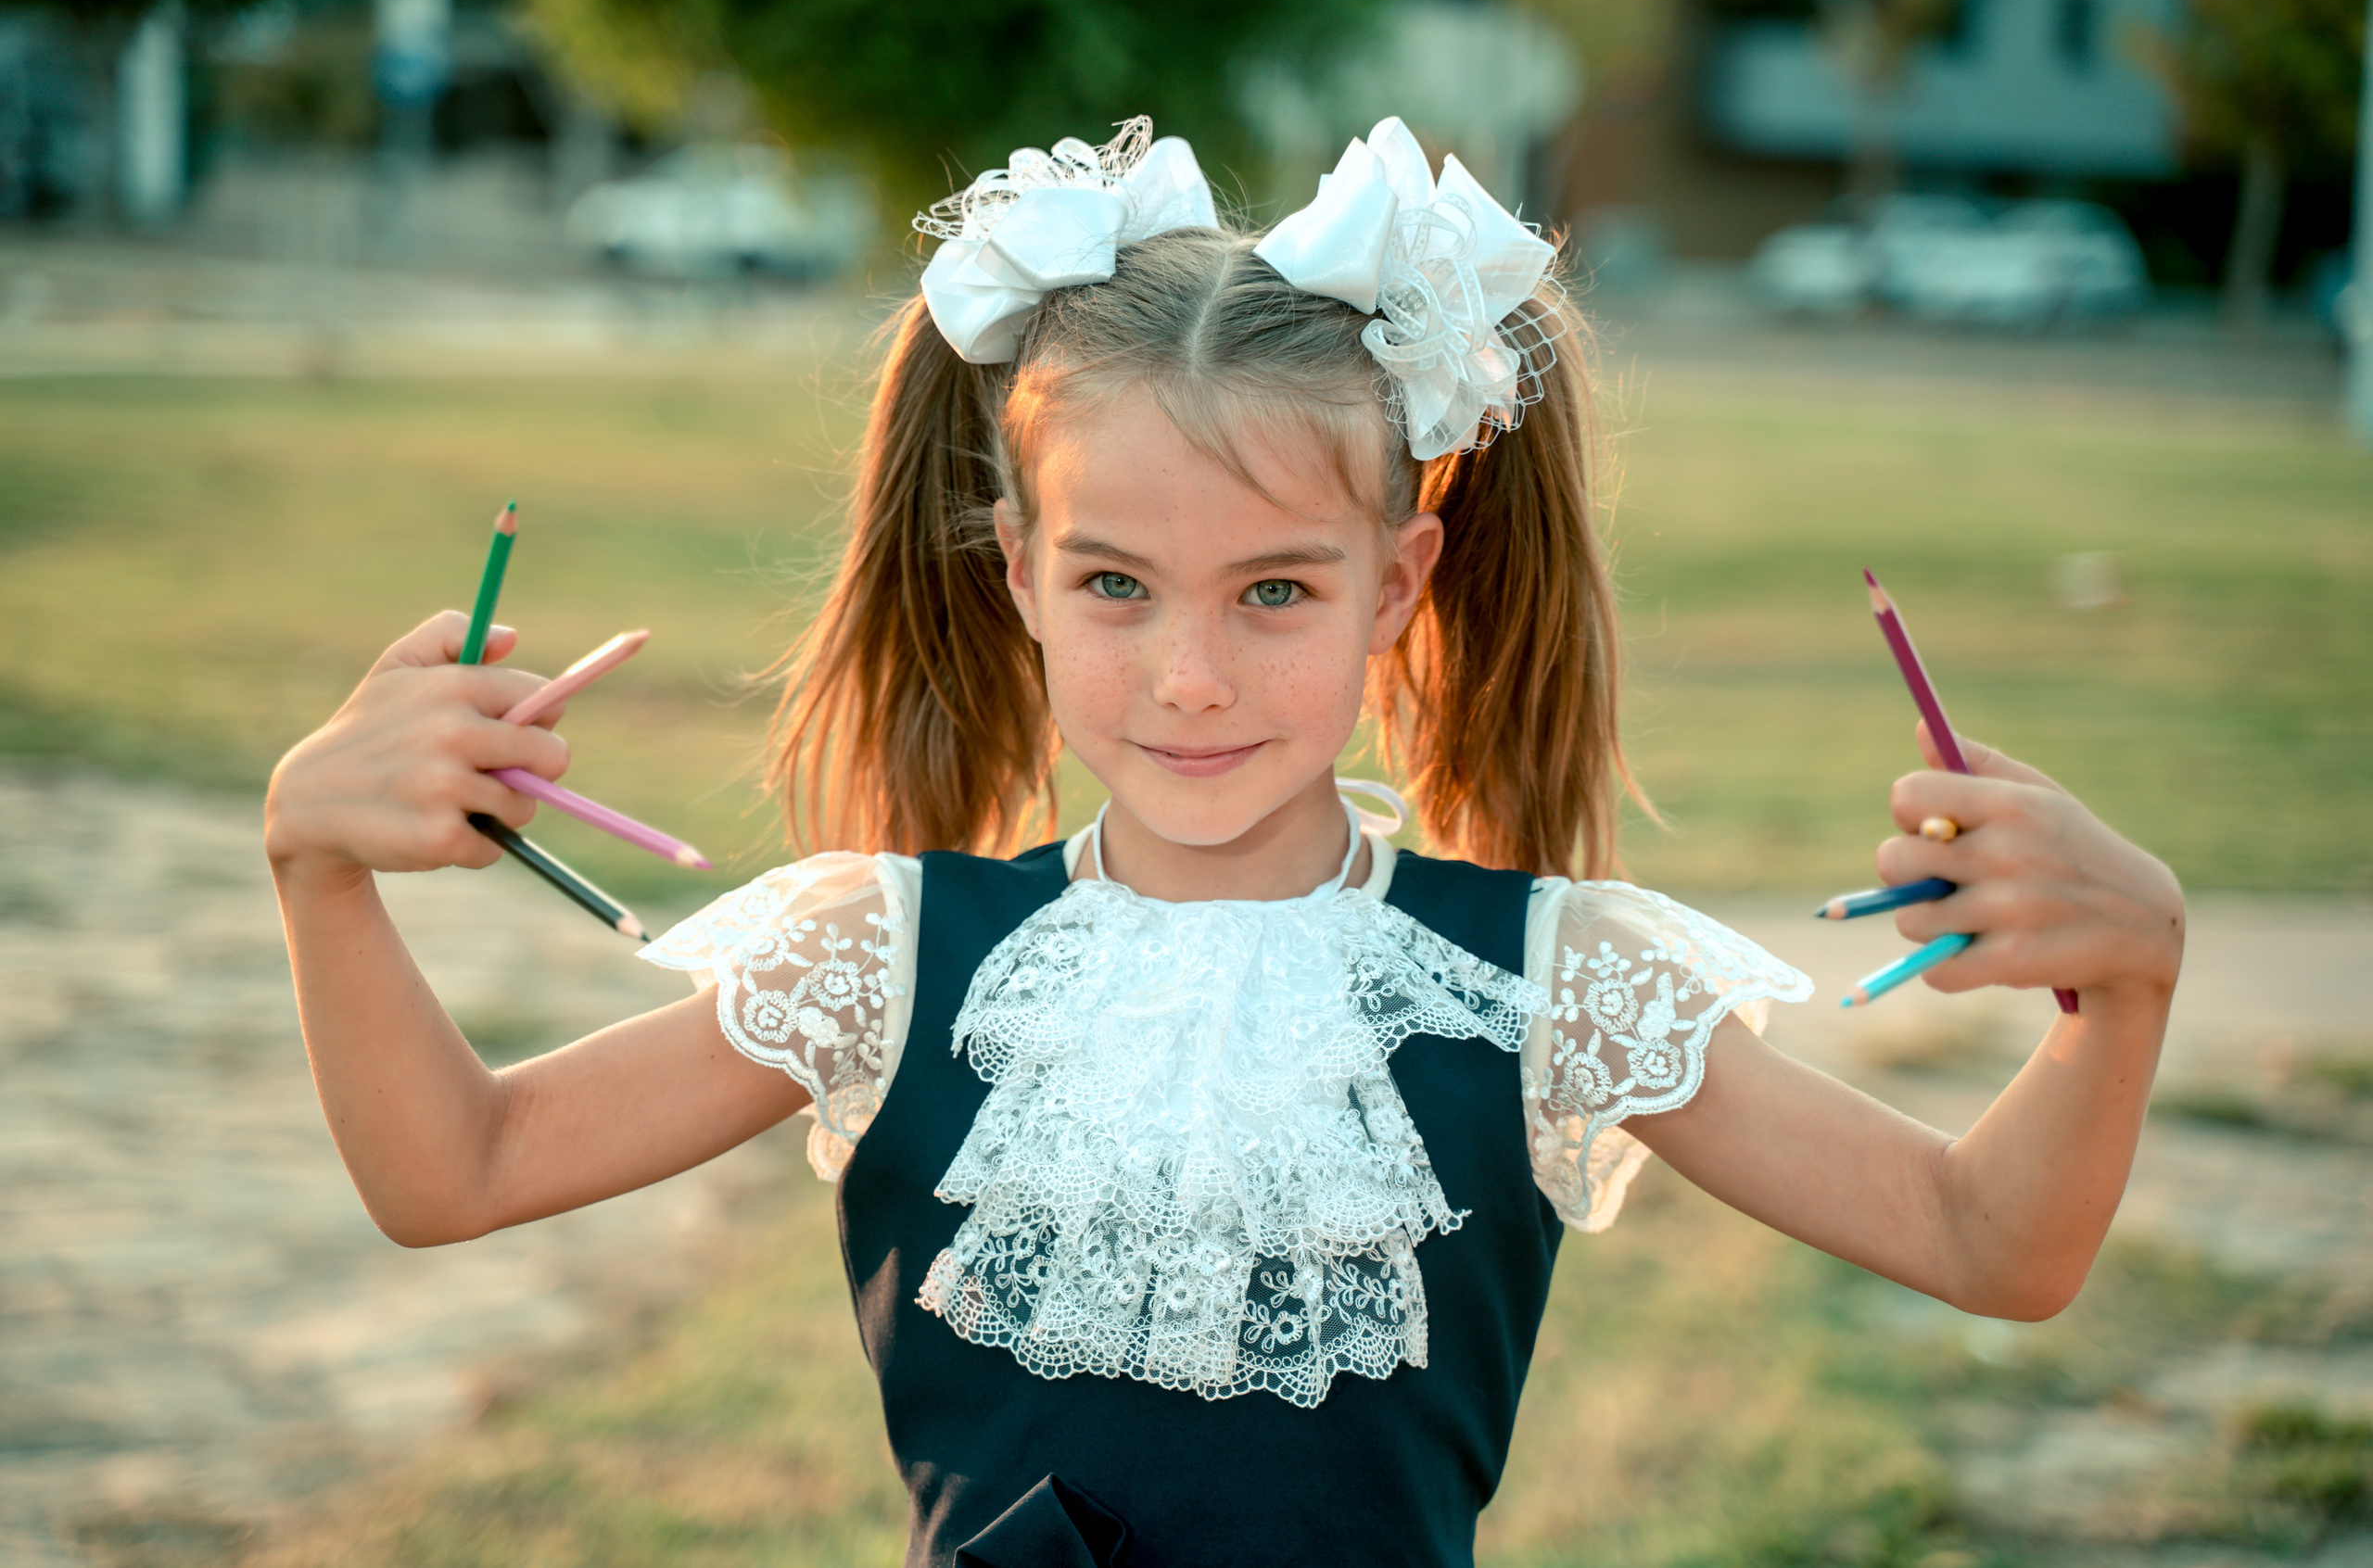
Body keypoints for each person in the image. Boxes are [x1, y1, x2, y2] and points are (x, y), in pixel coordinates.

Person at [263, 118, 2184, 1567]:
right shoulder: (883, 952)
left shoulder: (1545, 977)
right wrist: (316, 863)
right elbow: (460, 1168)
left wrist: (2125, 979)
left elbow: (1984, 1243)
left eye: (1273, 589)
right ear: (1015, 574)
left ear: (1395, 584)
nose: (1187, 675)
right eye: (1115, 582)